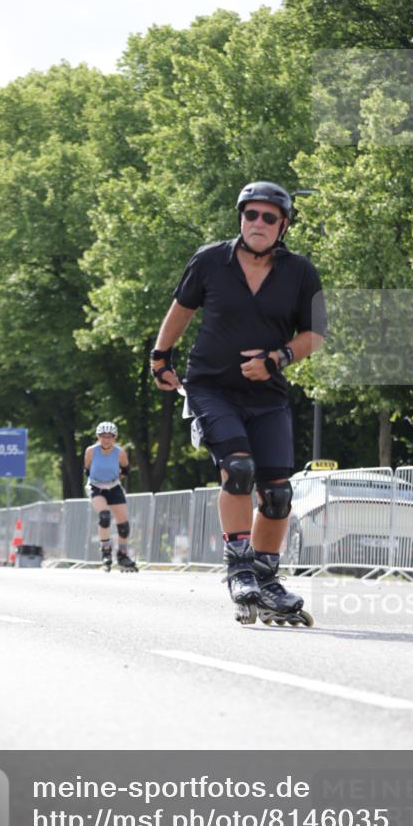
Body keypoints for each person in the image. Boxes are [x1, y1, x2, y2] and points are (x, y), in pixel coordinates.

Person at [150, 180, 326, 625]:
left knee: (279, 494)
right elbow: (181, 309)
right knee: (239, 469)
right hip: (211, 387)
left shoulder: (301, 272)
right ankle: (239, 569)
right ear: (241, 218)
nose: (259, 223)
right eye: (252, 214)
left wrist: (278, 358)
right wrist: (159, 356)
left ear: (283, 225)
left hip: (267, 394)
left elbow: (315, 335)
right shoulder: (211, 260)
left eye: (270, 217)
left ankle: (266, 578)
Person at [84, 421, 138, 573]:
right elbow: (87, 469)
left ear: (115, 438)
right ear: (98, 437)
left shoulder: (119, 452)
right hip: (96, 486)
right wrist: (99, 480)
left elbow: (127, 470)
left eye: (109, 437)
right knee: (104, 516)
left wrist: (115, 477)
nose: (106, 440)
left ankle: (122, 555)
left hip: (114, 486)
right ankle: (106, 554)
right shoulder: (91, 451)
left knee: (123, 525)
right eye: (103, 437)